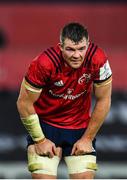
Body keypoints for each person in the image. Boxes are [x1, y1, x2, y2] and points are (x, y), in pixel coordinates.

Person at [17, 22, 112, 179]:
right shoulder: (44, 63)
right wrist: (40, 140)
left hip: (79, 126)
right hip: (46, 126)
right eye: (70, 49)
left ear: (88, 45)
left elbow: (104, 99)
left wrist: (87, 138)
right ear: (60, 46)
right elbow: (23, 103)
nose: (77, 55)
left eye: (81, 49)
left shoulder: (98, 59)